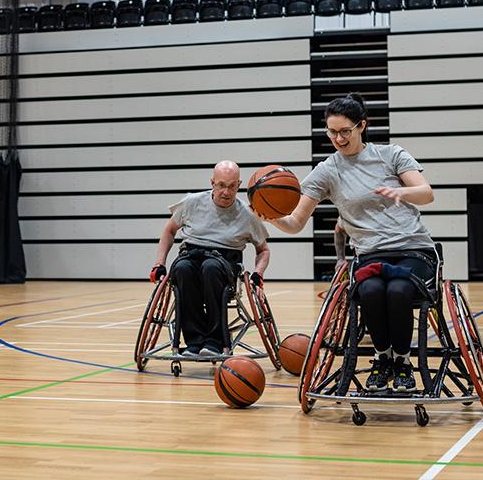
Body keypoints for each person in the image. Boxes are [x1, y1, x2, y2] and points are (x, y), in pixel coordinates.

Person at [256, 92, 436, 392]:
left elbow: (427, 193)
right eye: (332, 132)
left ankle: (402, 361)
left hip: (412, 249)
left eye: (345, 131)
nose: (338, 138)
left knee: (400, 290)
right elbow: (296, 222)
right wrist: (270, 216)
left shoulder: (391, 155)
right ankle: (381, 358)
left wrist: (401, 192)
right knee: (371, 291)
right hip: (370, 256)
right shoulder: (327, 170)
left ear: (361, 126)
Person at [150, 160, 270, 357]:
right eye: (221, 185)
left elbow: (263, 250)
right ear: (212, 183)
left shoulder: (248, 215)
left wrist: (258, 273)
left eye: (232, 186)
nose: (226, 191)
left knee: (210, 267)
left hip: (223, 262)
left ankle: (214, 341)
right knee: (181, 269)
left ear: (239, 185)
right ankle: (194, 341)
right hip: (191, 254)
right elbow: (170, 230)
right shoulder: (192, 202)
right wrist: (159, 263)